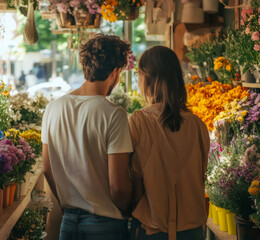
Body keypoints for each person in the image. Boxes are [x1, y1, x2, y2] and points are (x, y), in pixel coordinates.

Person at [41, 34, 133, 240]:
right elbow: (118, 187)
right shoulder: (114, 114)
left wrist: (67, 204)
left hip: (69, 224)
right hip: (105, 225)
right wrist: (130, 210)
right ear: (116, 72)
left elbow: (47, 169)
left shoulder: (53, 109)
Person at [128, 46, 210, 240]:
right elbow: (201, 174)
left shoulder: (139, 121)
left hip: (152, 227)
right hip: (193, 228)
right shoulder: (198, 125)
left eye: (138, 73)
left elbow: (133, 178)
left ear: (148, 78)